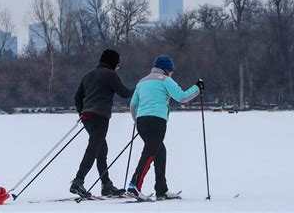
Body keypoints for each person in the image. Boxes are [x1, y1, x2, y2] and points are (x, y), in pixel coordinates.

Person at [127, 55, 204, 201]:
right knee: (150, 152)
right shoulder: (166, 80)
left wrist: (138, 121)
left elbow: (133, 106)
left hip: (142, 121)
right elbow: (182, 97)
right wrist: (197, 88)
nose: (171, 74)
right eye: (171, 71)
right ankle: (134, 185)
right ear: (166, 70)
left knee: (159, 151)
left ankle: (161, 190)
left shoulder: (142, 82)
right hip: (157, 121)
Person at [71, 49, 134, 198]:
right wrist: (139, 88)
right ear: (112, 63)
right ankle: (78, 181)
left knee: (101, 149)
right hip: (100, 117)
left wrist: (82, 112)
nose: (117, 68)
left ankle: (106, 185)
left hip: (87, 117)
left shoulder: (88, 74)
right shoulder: (110, 75)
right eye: (118, 65)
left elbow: (77, 97)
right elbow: (125, 93)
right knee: (93, 149)